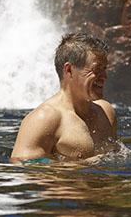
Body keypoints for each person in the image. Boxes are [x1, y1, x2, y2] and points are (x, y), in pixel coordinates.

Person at [10, 32, 117, 162]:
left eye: (105, 69)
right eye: (97, 70)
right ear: (69, 70)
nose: (104, 76)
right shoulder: (45, 118)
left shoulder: (106, 111)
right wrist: (81, 166)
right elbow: (23, 166)